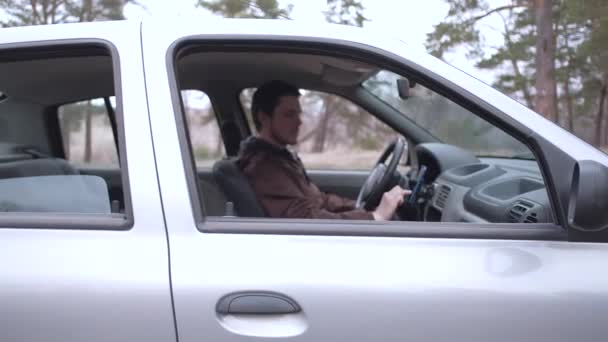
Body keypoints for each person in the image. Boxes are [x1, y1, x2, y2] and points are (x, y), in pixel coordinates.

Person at [238, 80, 410, 221]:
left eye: (299, 114)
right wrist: (375, 217)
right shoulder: (264, 167)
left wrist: (358, 208)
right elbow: (305, 219)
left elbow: (319, 199)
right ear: (263, 117)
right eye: (289, 115)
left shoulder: (280, 157)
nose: (299, 122)